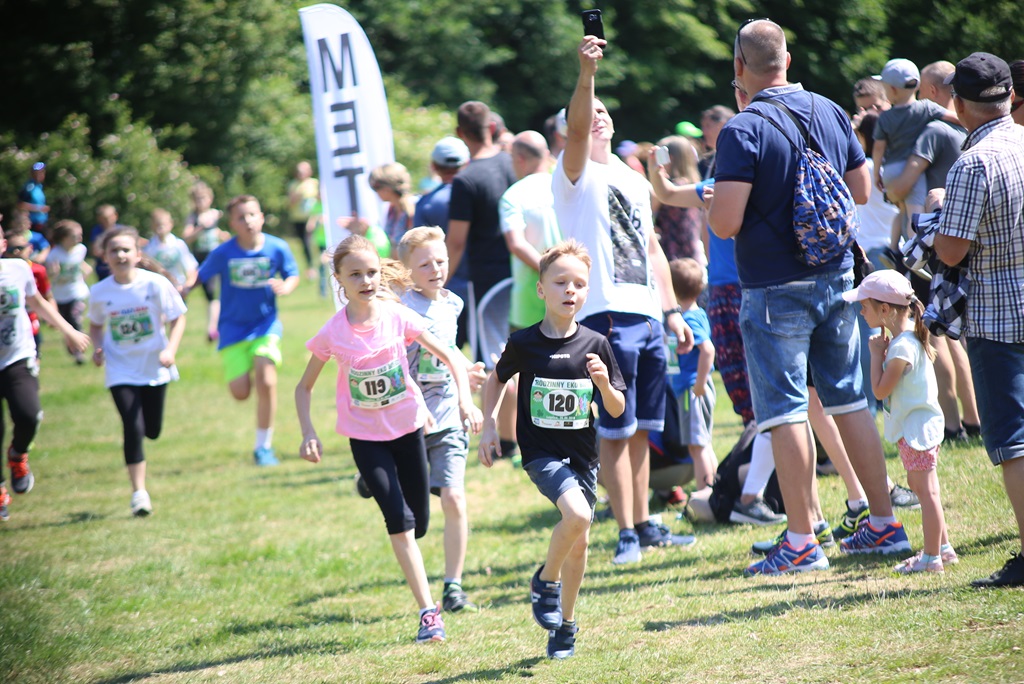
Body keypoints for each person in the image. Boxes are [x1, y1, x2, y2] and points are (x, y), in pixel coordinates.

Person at [708, 19, 909, 575]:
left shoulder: (742, 129)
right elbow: (861, 191)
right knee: (849, 402)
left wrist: (711, 203)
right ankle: (885, 524)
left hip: (773, 288)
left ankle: (801, 541)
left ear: (739, 68)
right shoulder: (827, 109)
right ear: (788, 60)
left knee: (785, 411)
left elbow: (724, 224)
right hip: (837, 277)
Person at [295, 234, 482, 643]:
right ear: (339, 280)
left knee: (420, 522)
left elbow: (450, 354)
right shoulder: (333, 332)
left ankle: (374, 482)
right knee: (400, 522)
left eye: (372, 272)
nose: (365, 280)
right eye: (355, 274)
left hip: (409, 427)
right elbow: (303, 388)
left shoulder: (397, 316)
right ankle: (428, 614)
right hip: (365, 437)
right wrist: (308, 432)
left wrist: (466, 402)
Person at [555, 35, 695, 565]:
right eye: (589, 112)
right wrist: (587, 75)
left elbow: (654, 250)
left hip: (645, 315)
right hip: (603, 316)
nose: (597, 118)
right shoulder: (574, 175)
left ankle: (642, 522)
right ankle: (626, 534)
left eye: (603, 112)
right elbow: (577, 125)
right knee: (614, 430)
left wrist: (672, 311)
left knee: (641, 431)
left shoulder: (633, 179)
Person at [478, 240, 627, 659]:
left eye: (579, 284)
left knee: (578, 540)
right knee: (577, 515)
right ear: (541, 289)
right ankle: (545, 581)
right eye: (560, 282)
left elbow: (616, 408)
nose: (570, 291)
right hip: (541, 453)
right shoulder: (524, 342)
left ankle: (565, 625)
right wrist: (489, 424)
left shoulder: (596, 343)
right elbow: (496, 379)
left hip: (583, 456)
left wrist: (601, 384)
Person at [933, 52, 1024, 588]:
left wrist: (940, 213)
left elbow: (948, 251)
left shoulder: (974, 163)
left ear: (959, 105)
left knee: (1014, 442)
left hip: (996, 317)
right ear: (1010, 96)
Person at [880, 61, 980, 443]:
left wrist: (890, 189)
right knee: (959, 341)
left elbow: (902, 187)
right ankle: (974, 420)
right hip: (966, 240)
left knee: (935, 335)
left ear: (935, 91)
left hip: (935, 245)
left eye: (924, 89)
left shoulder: (932, 131)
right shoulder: (965, 132)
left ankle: (952, 425)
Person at [396, 227, 487, 613]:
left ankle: (453, 586)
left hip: (450, 412)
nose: (435, 269)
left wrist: (469, 370)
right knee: (412, 514)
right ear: (407, 271)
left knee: (454, 497)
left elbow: (448, 351)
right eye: (425, 264)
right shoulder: (400, 308)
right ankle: (372, 475)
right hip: (408, 419)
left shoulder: (453, 303)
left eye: (441, 260)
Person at [843, 269, 956, 573]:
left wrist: (875, 354)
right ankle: (942, 548)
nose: (861, 312)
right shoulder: (906, 341)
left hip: (917, 430)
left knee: (926, 491)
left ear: (884, 310)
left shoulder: (901, 348)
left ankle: (931, 558)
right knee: (921, 486)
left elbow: (880, 391)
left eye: (864, 307)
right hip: (916, 429)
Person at [189, 195, 299, 466]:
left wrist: (287, 286)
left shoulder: (277, 247)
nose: (248, 221)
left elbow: (292, 273)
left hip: (265, 325)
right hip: (232, 329)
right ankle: (248, 367)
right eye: (241, 217)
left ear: (261, 217)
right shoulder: (224, 252)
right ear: (232, 224)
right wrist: (182, 289)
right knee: (241, 393)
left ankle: (263, 447)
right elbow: (200, 276)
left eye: (252, 214)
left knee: (267, 380)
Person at [88, 227, 187, 517]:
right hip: (120, 369)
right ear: (104, 257)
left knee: (152, 430)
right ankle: (139, 493)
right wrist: (98, 347)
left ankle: (140, 484)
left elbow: (177, 318)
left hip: (154, 367)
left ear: (137, 254)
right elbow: (95, 325)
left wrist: (170, 350)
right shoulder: (99, 292)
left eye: (125, 249)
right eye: (114, 250)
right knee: (132, 426)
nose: (120, 255)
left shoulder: (154, 284)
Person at [0, 222, 91, 521]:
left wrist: (68, 331)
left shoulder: (17, 268)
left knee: (29, 415)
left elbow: (36, 301)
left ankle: (18, 455)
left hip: (17, 355)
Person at [446, 100, 518, 363]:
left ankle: (496, 408)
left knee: (494, 362)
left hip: (489, 280)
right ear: (491, 126)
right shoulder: (515, 163)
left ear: (459, 132)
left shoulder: (466, 180)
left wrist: (436, 281)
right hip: (525, 273)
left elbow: (455, 243)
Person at [871, 58, 959, 241]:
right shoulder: (927, 109)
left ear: (892, 90)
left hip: (891, 169)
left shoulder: (886, 118)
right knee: (915, 212)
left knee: (904, 211)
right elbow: (956, 118)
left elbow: (879, 148)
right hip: (913, 175)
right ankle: (913, 247)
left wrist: (879, 176)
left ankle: (898, 248)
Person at [500, 130, 562, 332]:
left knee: (524, 363)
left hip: (529, 304)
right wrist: (564, 276)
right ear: (546, 154)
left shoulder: (514, 195)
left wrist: (550, 273)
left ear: (518, 158)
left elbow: (516, 244)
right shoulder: (565, 187)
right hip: (571, 298)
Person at [415, 136, 472, 348]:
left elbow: (418, 249)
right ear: (466, 163)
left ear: (434, 167)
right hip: (480, 288)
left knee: (441, 358)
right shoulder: (480, 194)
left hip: (440, 289)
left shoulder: (427, 204)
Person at [666, 258, 717, 493]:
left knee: (697, 446)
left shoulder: (688, 319)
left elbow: (707, 350)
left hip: (691, 389)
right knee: (702, 443)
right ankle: (712, 489)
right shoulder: (698, 314)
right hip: (693, 387)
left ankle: (704, 493)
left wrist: (698, 385)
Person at [651, 135, 706, 264]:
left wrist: (657, 177)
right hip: (692, 251)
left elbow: (649, 215)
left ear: (669, 159)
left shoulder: (671, 190)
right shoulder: (694, 187)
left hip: (672, 254)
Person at [4, 224, 55, 362]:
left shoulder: (37, 271)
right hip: (8, 322)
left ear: (30, 248)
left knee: (33, 355)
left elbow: (47, 296)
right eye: (11, 249)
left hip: (31, 319)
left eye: (20, 248)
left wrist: (52, 318)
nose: (16, 253)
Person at [45, 219, 93, 364]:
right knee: (66, 324)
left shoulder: (81, 249)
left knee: (75, 318)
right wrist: (53, 273)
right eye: (75, 236)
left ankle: (79, 352)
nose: (79, 239)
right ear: (64, 238)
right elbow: (49, 277)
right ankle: (71, 347)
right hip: (60, 295)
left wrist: (85, 271)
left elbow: (80, 264)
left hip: (76, 292)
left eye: (80, 235)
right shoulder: (54, 255)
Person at [182, 181, 225, 341]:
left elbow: (215, 231)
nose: (201, 202)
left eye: (204, 198)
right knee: (188, 288)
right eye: (197, 199)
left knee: (211, 293)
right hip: (197, 258)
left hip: (213, 256)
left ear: (210, 198)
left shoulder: (214, 213)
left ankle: (212, 328)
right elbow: (187, 237)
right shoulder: (193, 217)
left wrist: (223, 235)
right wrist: (200, 226)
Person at [143, 208, 198, 294]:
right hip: (157, 290)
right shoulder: (149, 247)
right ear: (152, 226)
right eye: (157, 225)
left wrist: (187, 287)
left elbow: (191, 268)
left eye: (163, 225)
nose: (160, 228)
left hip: (177, 288)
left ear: (171, 224)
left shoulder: (178, 244)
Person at [369, 162, 417, 253]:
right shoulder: (391, 210)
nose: (376, 192)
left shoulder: (413, 208)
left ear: (388, 187)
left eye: (376, 187)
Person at [286, 160, 320, 280]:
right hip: (298, 219)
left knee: (315, 242)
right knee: (305, 244)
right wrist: (297, 196)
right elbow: (290, 204)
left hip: (313, 218)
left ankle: (320, 264)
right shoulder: (293, 185)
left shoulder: (314, 183)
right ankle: (310, 267)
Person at [89, 204, 126, 282]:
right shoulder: (97, 231)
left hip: (120, 264)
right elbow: (94, 250)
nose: (108, 220)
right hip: (103, 267)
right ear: (99, 219)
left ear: (115, 216)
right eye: (105, 218)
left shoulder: (121, 230)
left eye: (110, 217)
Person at [16, 162, 49, 236]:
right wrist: (39, 208)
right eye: (38, 172)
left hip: (41, 224)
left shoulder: (39, 186)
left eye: (42, 172)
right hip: (32, 224)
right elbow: (20, 204)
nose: (41, 175)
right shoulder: (29, 187)